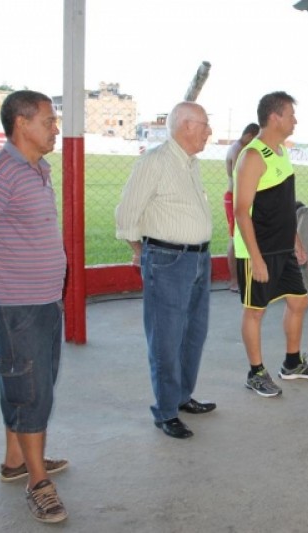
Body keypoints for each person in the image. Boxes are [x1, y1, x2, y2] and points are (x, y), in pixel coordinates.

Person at [0, 90, 69, 523]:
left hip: (43, 299)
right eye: (48, 120)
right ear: (21, 124)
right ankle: (38, 482)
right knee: (30, 390)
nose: (55, 128)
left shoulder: (38, 168)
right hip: (16, 305)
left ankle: (15, 460)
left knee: (28, 381)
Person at [115, 101, 217, 439]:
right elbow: (127, 214)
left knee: (193, 334)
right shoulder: (155, 161)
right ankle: (166, 410)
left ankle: (182, 396)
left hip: (198, 259)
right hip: (168, 259)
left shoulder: (190, 163)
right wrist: (141, 253)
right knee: (166, 338)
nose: (209, 131)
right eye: (204, 124)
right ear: (186, 125)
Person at [234, 91, 308, 397]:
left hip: (283, 247)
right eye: (291, 115)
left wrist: (294, 238)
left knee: (299, 301)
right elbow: (241, 211)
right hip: (258, 250)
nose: (295, 121)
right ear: (275, 117)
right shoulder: (253, 156)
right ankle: (256, 373)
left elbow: (284, 205)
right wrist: (255, 258)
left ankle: (292, 363)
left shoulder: (281, 152)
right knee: (255, 311)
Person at [225, 123, 260, 292]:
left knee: (244, 236)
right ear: (250, 135)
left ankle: (243, 277)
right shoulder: (239, 150)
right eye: (256, 138)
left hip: (240, 198)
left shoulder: (240, 148)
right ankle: (234, 280)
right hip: (235, 198)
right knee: (235, 238)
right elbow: (242, 178)